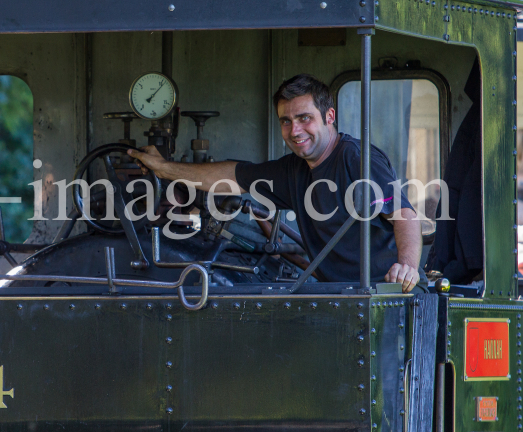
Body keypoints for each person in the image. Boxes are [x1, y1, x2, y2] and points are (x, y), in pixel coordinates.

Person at [129, 73, 424, 293]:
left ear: (329, 116)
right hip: (341, 294)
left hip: (385, 293)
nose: (295, 130)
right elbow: (233, 175)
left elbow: (405, 216)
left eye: (304, 118)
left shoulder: (355, 158)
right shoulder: (293, 170)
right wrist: (165, 169)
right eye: (286, 120)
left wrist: (407, 267)